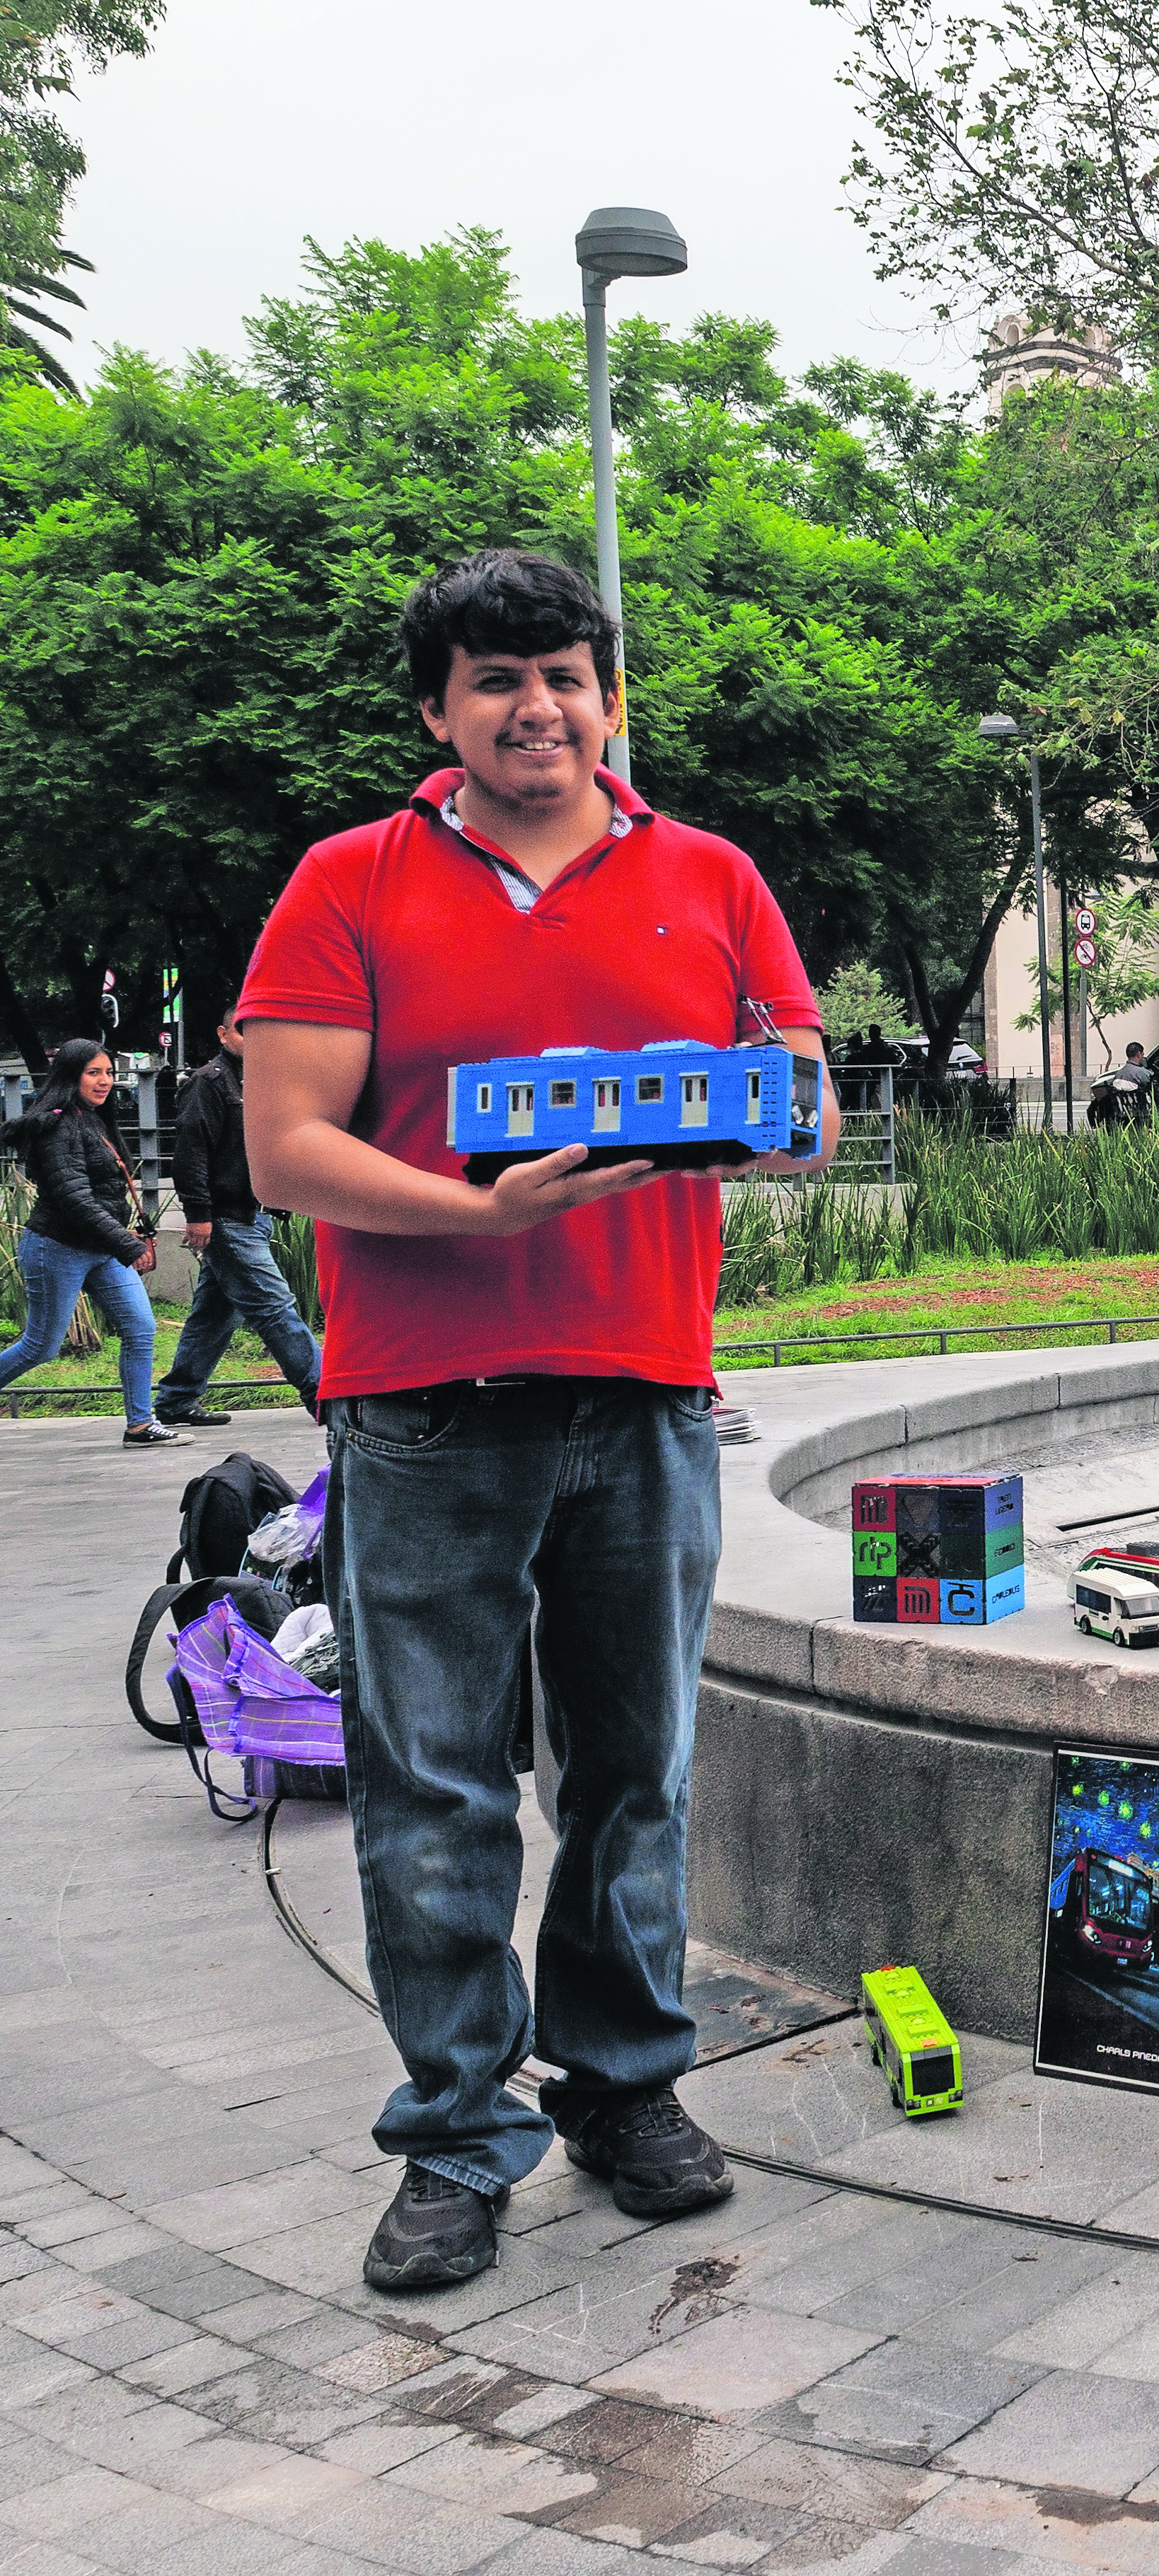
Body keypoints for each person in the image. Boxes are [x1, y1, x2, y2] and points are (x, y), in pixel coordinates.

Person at [237, 548, 826, 2293]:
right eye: (495, 680)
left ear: (607, 696)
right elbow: (286, 1150)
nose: (535, 707)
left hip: (643, 1397)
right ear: (439, 713)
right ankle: (456, 2133)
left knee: (635, 1775)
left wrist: (767, 1109)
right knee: (429, 1792)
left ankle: (627, 2085)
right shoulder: (350, 883)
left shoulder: (710, 874)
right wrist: (484, 1214)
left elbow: (789, 1095)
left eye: (563, 674)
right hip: (423, 1410)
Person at [0, 1038, 175, 1446]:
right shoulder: (59, 1124)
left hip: (100, 1249)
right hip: (56, 1248)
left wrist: (121, 1239)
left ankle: (140, 1424)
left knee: (140, 1327)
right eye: (93, 1073)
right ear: (70, 1075)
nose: (105, 1082)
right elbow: (75, 1199)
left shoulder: (92, 1119)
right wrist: (129, 1245)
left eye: (110, 1073)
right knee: (42, 1346)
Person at [154, 1014, 324, 1427]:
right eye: (245, 1031)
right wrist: (198, 1215)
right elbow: (190, 1151)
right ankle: (326, 1394)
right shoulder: (209, 1082)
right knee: (276, 1308)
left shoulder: (264, 1081)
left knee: (214, 1314)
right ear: (223, 1033)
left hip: (253, 1215)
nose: (256, 1040)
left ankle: (177, 1401)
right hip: (226, 1217)